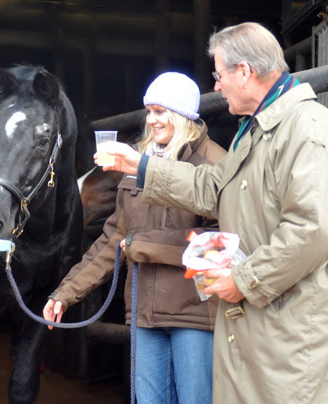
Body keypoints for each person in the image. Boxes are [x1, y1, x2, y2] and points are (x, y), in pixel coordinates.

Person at [105, 22, 328, 403]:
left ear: (245, 72)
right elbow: (211, 188)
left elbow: (313, 230)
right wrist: (142, 167)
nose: (216, 87)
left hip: (296, 332)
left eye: (219, 76)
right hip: (267, 325)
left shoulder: (309, 129)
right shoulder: (254, 131)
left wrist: (246, 279)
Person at [43, 72, 226, 403]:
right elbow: (113, 239)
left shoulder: (213, 164)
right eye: (149, 112)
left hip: (195, 316)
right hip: (144, 314)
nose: (151, 120)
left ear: (183, 113)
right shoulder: (137, 166)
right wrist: (65, 293)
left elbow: (221, 241)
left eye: (160, 111)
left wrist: (146, 247)